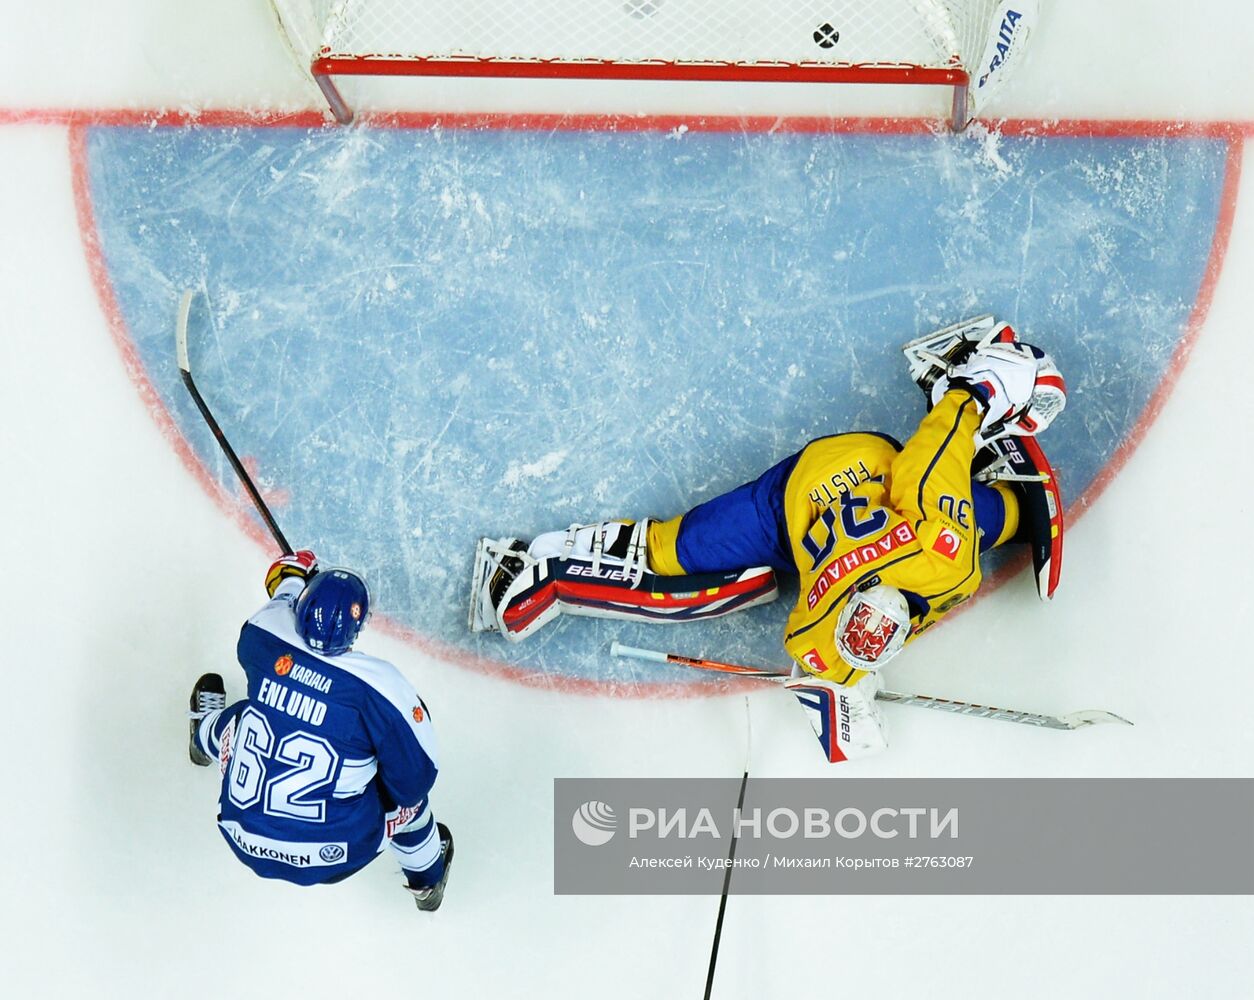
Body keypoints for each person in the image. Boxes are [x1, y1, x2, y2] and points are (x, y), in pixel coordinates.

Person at [470, 318, 1066, 762]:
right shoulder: (945, 560)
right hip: (804, 492)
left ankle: (1010, 497)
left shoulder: (897, 586)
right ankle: (1004, 475)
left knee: (693, 556)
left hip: (822, 495)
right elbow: (823, 686)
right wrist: (972, 394)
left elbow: (821, 674)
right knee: (675, 549)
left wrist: (846, 702)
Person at [188, 552, 453, 908]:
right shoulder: (381, 688)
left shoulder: (263, 635)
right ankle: (427, 881)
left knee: (239, 720)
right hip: (331, 855)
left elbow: (281, 585)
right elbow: (414, 781)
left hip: (242, 834)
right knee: (411, 806)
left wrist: (297, 572)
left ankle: (201, 737)